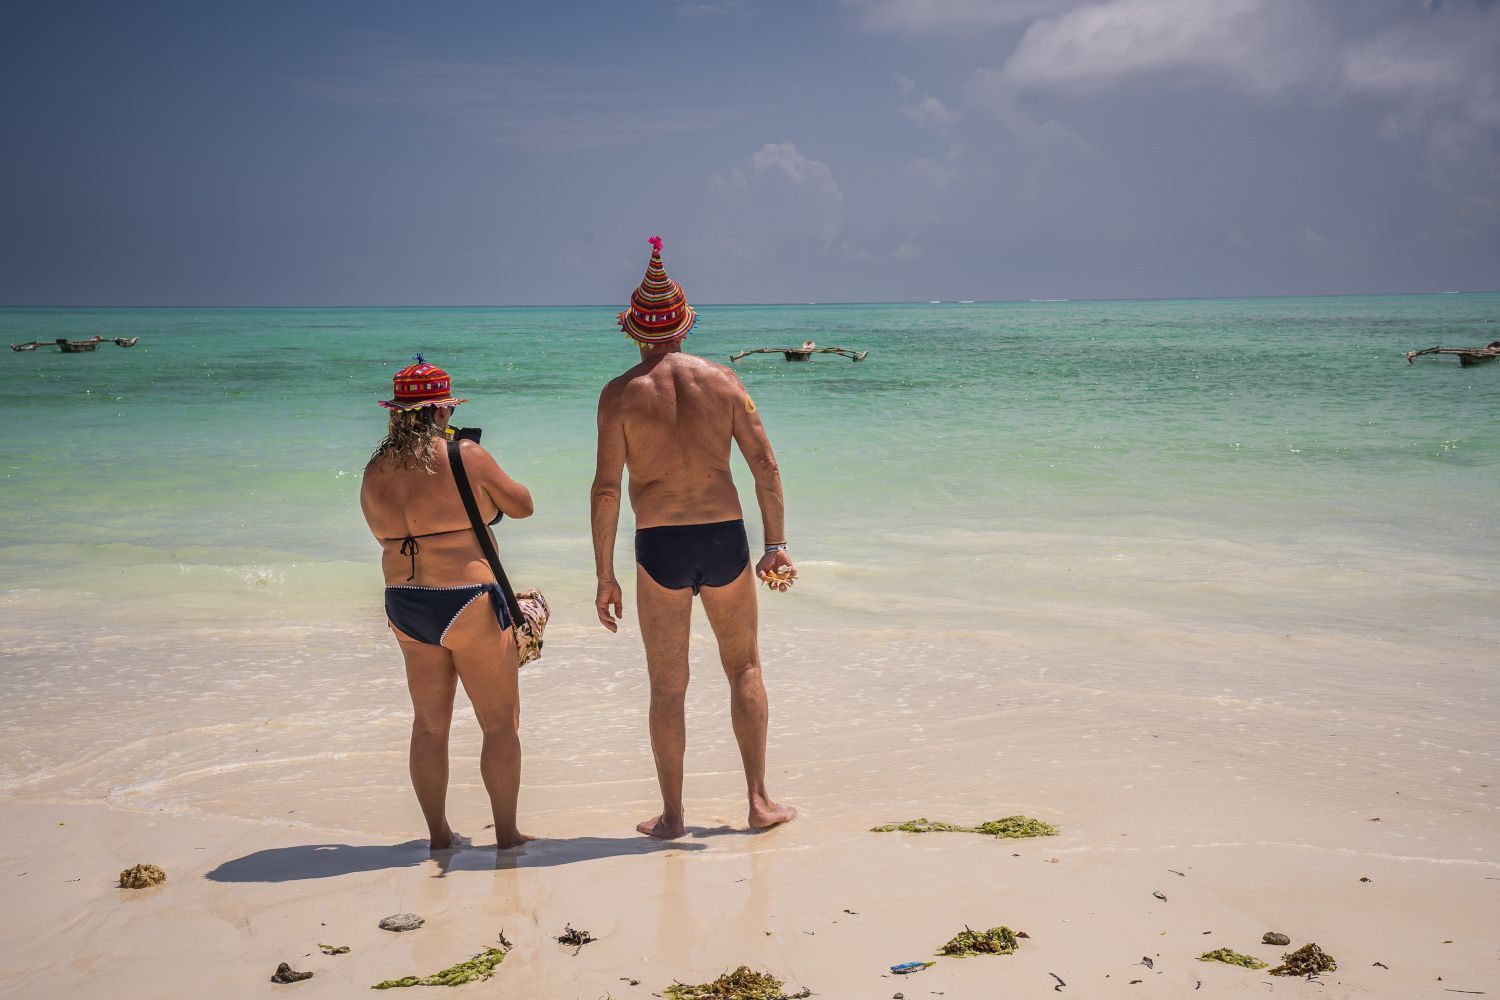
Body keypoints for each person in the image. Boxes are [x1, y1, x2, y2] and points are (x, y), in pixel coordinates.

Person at [591, 236, 798, 839]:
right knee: (744, 669)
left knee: (667, 687)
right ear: (685, 325)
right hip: (724, 540)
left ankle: (674, 816)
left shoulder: (619, 395)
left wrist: (604, 574)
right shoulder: (723, 382)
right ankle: (759, 803)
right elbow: (765, 466)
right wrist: (774, 544)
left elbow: (606, 490)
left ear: (634, 330)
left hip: (660, 546)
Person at [359, 356, 534, 850]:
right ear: (441, 411)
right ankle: (506, 835)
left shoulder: (374, 470)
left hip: (406, 602)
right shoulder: (465, 454)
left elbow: (381, 535)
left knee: (430, 727)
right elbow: (522, 505)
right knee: (500, 723)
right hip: (468, 599)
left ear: (395, 414)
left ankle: (438, 836)